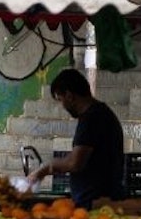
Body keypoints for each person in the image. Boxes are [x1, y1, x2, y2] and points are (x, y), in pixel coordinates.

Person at [27, 68, 125, 210]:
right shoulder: (100, 113)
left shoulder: (92, 118)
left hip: (96, 205)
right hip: (100, 201)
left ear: (69, 95)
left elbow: (75, 163)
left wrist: (45, 169)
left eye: (61, 100)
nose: (63, 106)